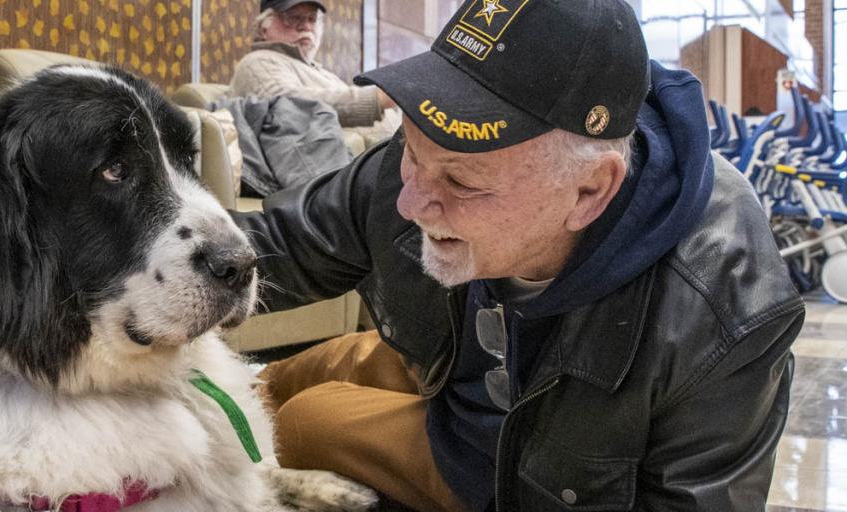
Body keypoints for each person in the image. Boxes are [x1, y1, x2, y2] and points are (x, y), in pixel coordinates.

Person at [233, 0, 805, 511]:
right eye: (410, 148)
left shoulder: (724, 308)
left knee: (306, 421)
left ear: (590, 191)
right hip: (460, 367)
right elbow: (272, 247)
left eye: (463, 182)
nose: (410, 202)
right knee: (294, 373)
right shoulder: (430, 158)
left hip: (518, 471)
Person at [229, 0, 400, 147]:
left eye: (312, 19)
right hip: (341, 173)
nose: (307, 26)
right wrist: (376, 100)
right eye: (293, 17)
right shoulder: (258, 61)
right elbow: (283, 104)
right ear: (263, 28)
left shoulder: (321, 72)